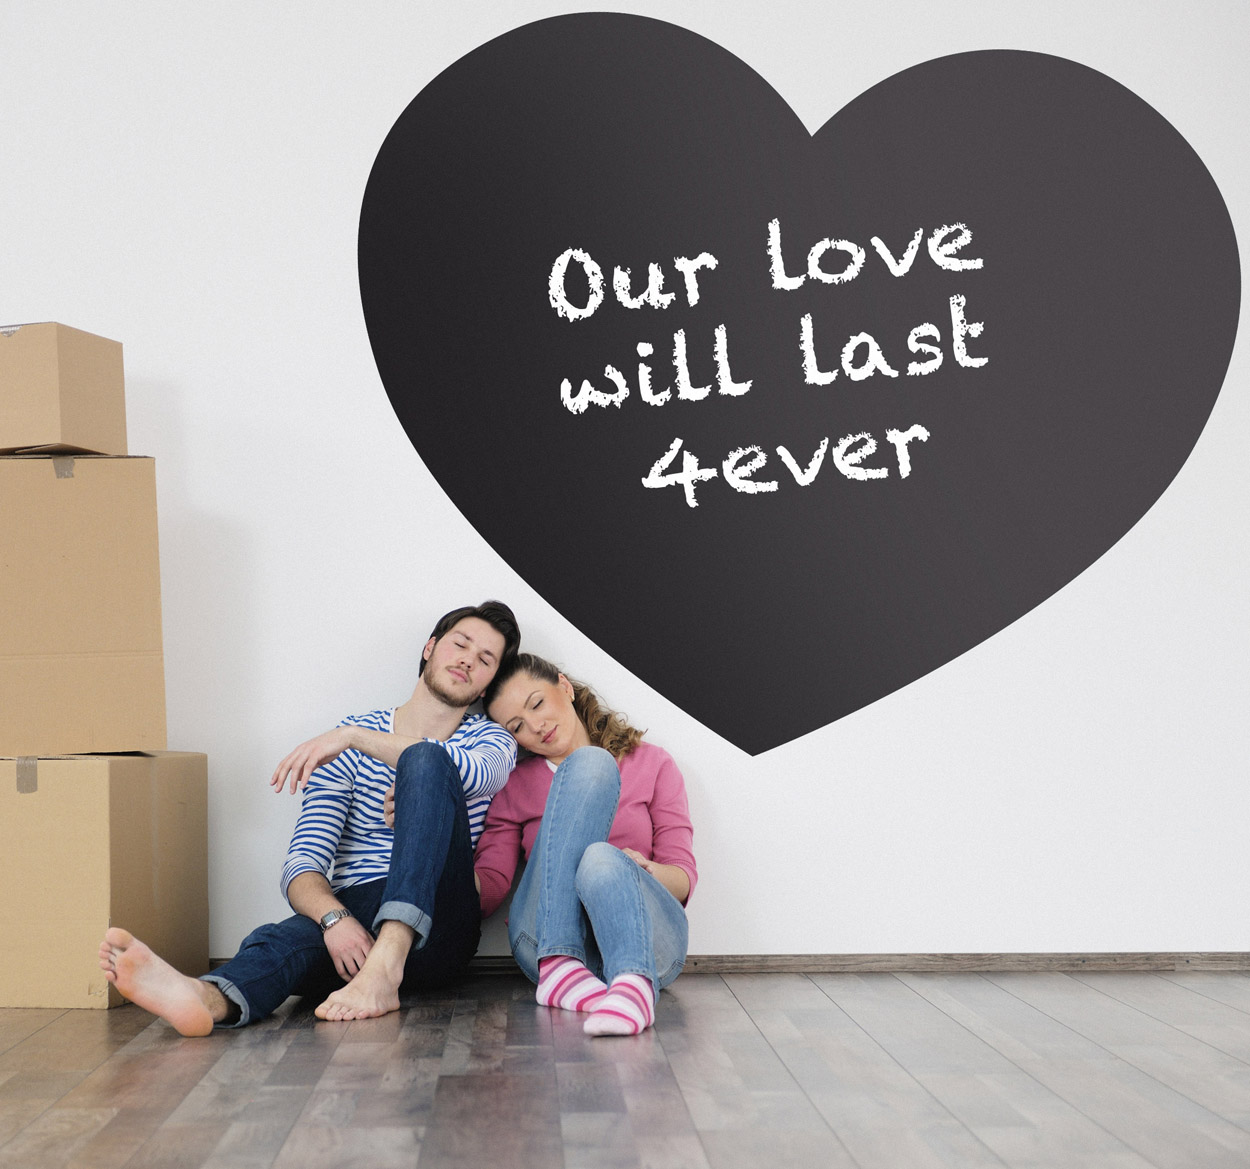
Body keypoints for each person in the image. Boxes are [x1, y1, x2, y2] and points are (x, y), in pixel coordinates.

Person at [97, 600, 521, 1035]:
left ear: (488, 685)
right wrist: (335, 922)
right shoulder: (343, 748)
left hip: (441, 922)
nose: (469, 659)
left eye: (486, 659)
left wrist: (353, 737)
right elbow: (303, 866)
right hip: (358, 918)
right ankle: (205, 1000)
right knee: (285, 940)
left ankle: (387, 967)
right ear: (431, 648)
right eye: (460, 644)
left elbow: (465, 772)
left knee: (427, 761)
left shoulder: (490, 740)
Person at [473, 653, 697, 1036]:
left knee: (599, 857)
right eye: (517, 726)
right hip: (541, 945)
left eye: (537, 703)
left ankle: (633, 985)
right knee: (591, 771)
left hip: (649, 943)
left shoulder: (652, 764)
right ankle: (562, 965)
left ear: (564, 686)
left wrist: (643, 870)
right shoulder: (514, 785)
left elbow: (683, 878)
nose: (536, 726)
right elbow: (489, 887)